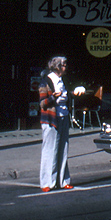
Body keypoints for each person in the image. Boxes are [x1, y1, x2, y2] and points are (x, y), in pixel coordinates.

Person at [38, 56, 72, 192]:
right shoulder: (45, 81)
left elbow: (66, 96)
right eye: (63, 65)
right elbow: (42, 103)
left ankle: (63, 181)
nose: (66, 67)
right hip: (51, 119)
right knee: (50, 150)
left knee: (63, 149)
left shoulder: (62, 81)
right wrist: (54, 97)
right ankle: (47, 182)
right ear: (57, 67)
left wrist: (72, 94)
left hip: (63, 116)